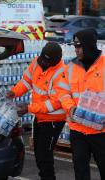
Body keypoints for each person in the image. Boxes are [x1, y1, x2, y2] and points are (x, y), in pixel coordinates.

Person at [6, 42, 68, 180]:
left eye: (46, 61)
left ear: (55, 62)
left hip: (53, 120)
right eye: (42, 59)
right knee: (39, 155)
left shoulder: (62, 74)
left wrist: (29, 108)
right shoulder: (37, 62)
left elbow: (54, 103)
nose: (43, 63)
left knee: (44, 156)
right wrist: (14, 92)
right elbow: (26, 82)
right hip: (39, 117)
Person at [58, 28, 105, 180]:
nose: (76, 50)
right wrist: (69, 108)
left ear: (89, 45)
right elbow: (62, 91)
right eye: (74, 46)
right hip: (78, 129)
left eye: (79, 46)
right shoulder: (71, 67)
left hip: (100, 130)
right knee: (80, 171)